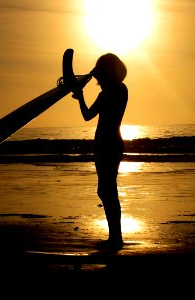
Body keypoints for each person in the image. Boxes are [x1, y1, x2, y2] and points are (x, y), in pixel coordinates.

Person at [72, 53, 128, 250]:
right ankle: (115, 236)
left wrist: (81, 92)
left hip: (108, 144)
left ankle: (116, 237)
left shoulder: (112, 92)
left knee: (107, 190)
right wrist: (80, 96)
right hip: (108, 143)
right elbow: (88, 116)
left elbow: (88, 115)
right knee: (106, 190)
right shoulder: (118, 90)